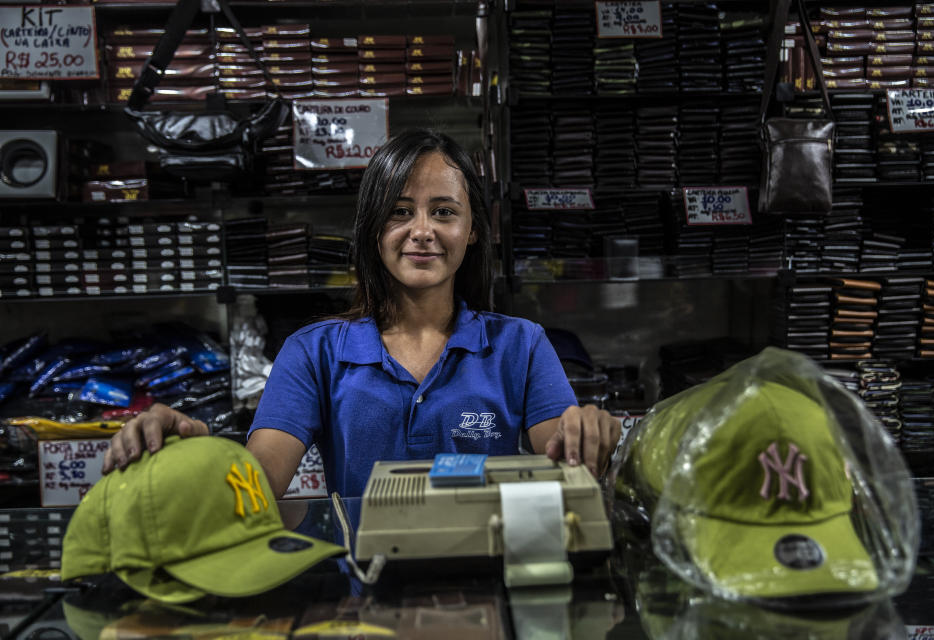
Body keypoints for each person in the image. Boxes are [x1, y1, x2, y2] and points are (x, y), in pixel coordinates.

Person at [102, 128, 621, 499]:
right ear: (374, 230)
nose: (422, 230)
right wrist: (195, 454)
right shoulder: (313, 351)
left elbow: (563, 456)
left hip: (492, 587)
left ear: (474, 230)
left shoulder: (521, 344)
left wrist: (589, 434)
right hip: (361, 601)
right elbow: (256, 482)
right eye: (399, 212)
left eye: (444, 211)